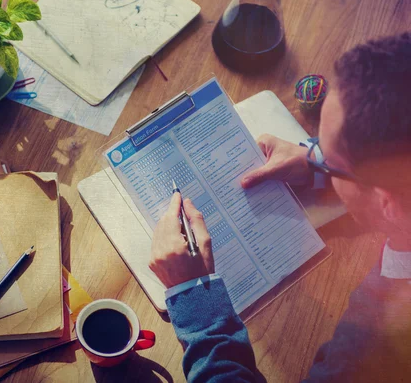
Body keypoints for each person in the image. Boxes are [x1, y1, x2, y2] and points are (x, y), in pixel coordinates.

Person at [149, 32, 411, 382]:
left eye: (331, 163)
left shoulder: (372, 351)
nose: (316, 155)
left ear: (387, 204)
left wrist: (195, 298)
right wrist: (315, 159)